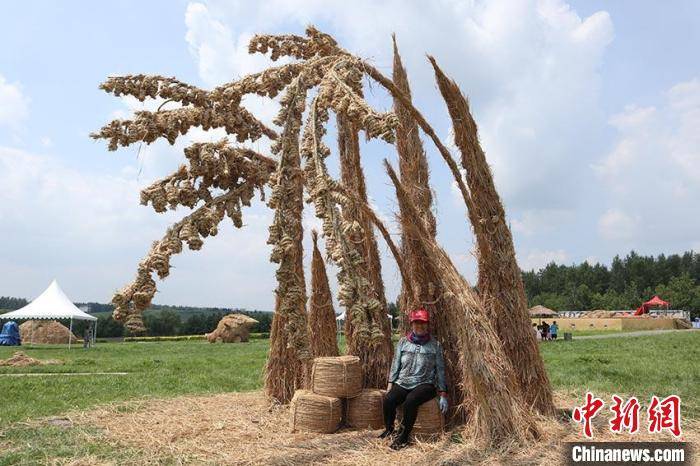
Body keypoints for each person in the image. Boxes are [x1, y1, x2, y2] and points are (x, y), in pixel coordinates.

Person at [379, 308, 448, 450]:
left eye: (423, 323)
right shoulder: (403, 342)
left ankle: (404, 437)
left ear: (427, 325)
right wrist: (390, 384)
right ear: (411, 324)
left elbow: (440, 370)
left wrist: (443, 394)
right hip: (404, 381)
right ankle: (389, 430)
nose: (420, 326)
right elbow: (395, 363)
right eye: (416, 323)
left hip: (425, 384)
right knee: (389, 400)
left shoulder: (435, 345)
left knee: (410, 401)